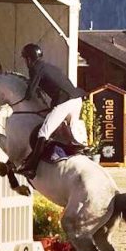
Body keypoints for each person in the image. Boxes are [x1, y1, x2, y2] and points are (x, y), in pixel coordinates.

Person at [17, 43, 85, 179]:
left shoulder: (36, 68)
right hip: (76, 99)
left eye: (25, 59)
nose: (25, 62)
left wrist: (22, 97)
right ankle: (80, 155)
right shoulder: (49, 66)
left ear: (29, 59)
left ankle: (31, 167)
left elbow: (30, 93)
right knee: (70, 133)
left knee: (43, 132)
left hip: (65, 101)